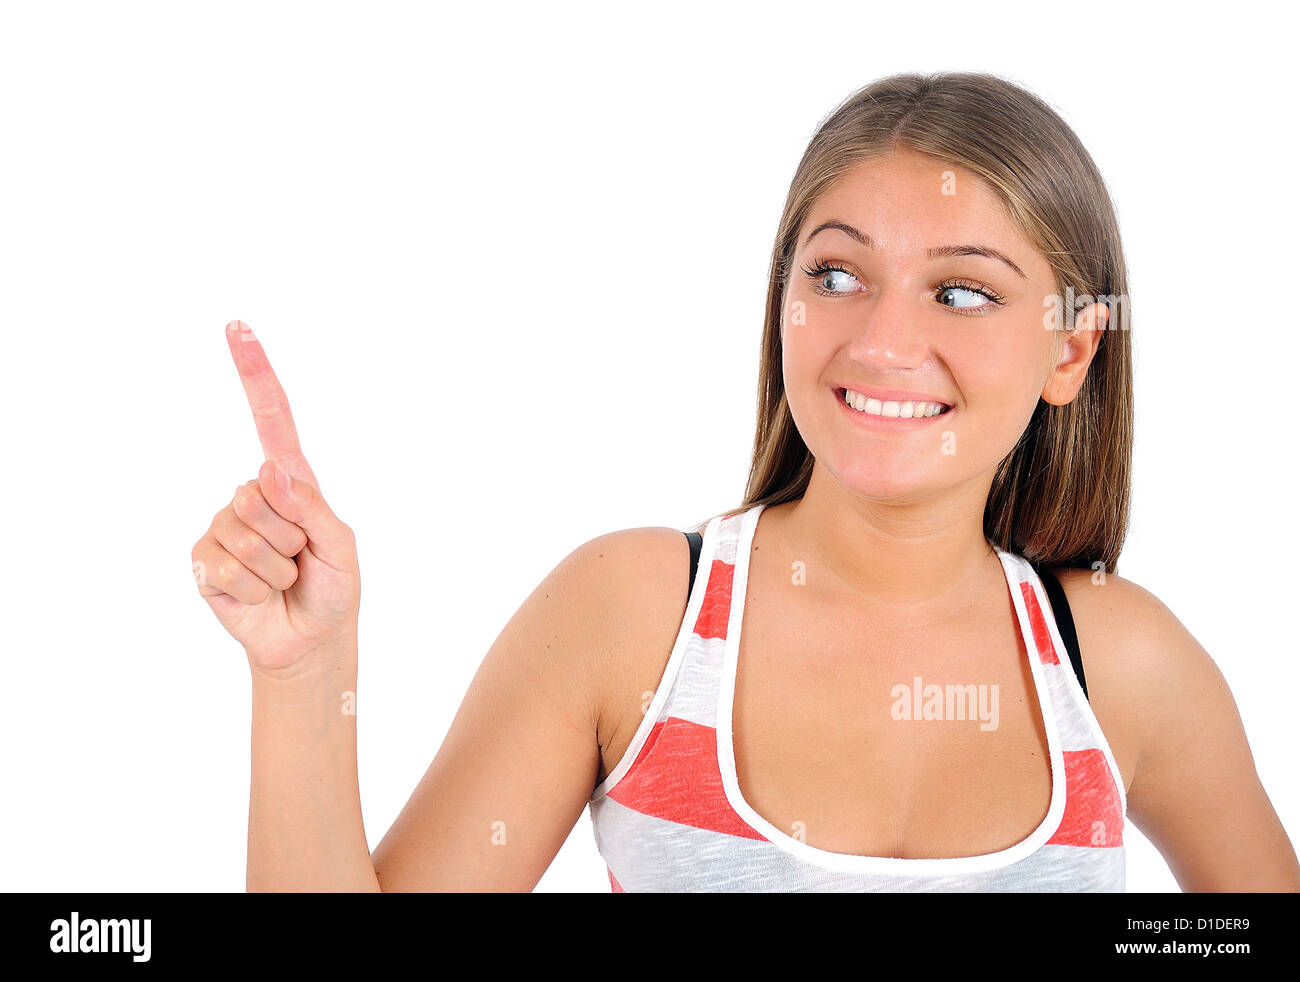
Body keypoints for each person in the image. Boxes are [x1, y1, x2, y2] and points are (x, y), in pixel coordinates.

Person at [191, 71, 1300, 892]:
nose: (881, 339)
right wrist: (303, 673)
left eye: (961, 292)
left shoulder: (1122, 663)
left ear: (1069, 352)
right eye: (837, 274)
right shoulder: (637, 615)